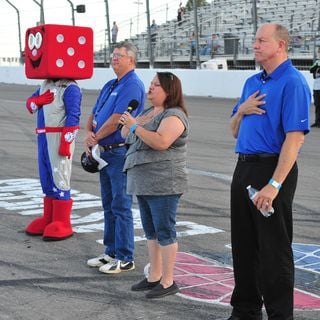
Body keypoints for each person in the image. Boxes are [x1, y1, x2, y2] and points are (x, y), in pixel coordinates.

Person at [228, 23, 311, 320]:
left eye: (262, 40)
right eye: (254, 40)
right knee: (244, 246)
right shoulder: (251, 82)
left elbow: (295, 138)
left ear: (281, 45)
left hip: (271, 169)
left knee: (274, 250)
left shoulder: (293, 82)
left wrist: (275, 184)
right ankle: (245, 311)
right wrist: (242, 110)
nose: (255, 45)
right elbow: (234, 131)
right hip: (244, 167)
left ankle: (280, 315)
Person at [119, 72, 189, 299]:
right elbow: (125, 134)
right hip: (143, 181)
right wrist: (131, 125)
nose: (150, 89)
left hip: (163, 183)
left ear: (169, 90)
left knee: (165, 231)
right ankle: (154, 276)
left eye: (155, 85)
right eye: (150, 85)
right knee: (151, 231)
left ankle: (168, 281)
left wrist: (134, 127)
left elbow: (161, 142)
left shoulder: (174, 115)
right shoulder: (148, 112)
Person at [24, 24, 93, 241]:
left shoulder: (70, 87)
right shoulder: (46, 84)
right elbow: (29, 105)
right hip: (43, 134)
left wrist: (67, 139)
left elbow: (74, 116)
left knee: (60, 175)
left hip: (58, 134)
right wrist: (37, 100)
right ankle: (49, 217)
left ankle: (62, 221)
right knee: (46, 174)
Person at [85, 42, 145, 274]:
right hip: (104, 152)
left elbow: (118, 118)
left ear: (131, 59)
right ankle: (110, 251)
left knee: (120, 206)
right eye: (113, 55)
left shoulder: (133, 85)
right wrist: (88, 133)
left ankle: (125, 256)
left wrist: (96, 137)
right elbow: (96, 112)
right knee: (108, 205)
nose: (114, 59)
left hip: (119, 152)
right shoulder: (111, 84)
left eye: (119, 56)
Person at [309, 58, 320, 127]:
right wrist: (317, 66)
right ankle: (317, 121)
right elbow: (311, 70)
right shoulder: (317, 62)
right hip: (316, 86)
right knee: (317, 104)